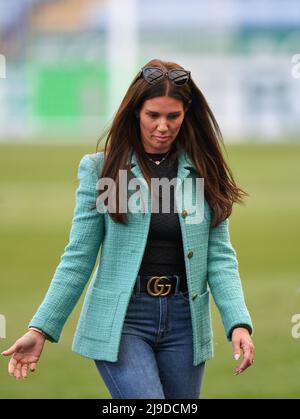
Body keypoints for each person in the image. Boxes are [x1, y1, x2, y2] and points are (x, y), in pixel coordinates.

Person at [2, 58, 255, 399]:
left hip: (185, 321)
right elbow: (78, 256)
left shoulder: (202, 172)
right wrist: (41, 328)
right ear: (136, 112)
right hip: (123, 321)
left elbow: (220, 256)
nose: (162, 126)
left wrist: (238, 321)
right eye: (153, 115)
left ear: (186, 115)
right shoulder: (103, 170)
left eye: (173, 116)